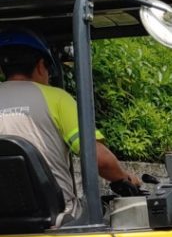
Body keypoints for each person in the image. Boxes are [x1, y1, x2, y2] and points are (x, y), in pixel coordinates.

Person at [0, 29, 140, 221]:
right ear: (41, 66)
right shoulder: (57, 98)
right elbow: (99, 159)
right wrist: (125, 178)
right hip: (56, 220)